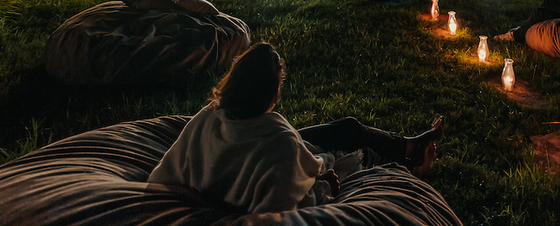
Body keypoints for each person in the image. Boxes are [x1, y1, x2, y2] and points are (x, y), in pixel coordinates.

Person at [148, 42, 443, 214]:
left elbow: (164, 174)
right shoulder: (281, 144)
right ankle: (411, 160)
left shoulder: (209, 117)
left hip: (261, 139)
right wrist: (322, 186)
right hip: (277, 147)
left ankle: (410, 146)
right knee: (355, 146)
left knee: (348, 128)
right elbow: (284, 206)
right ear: (273, 94)